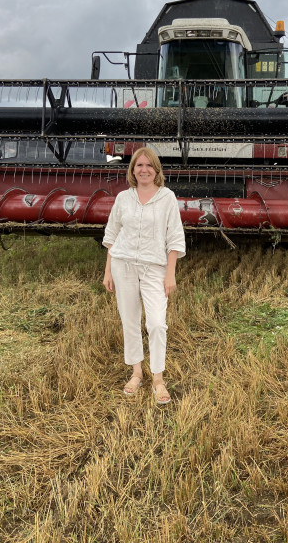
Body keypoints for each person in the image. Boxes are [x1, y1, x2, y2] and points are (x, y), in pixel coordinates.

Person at [102, 147, 186, 404]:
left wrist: (170, 273)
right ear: (132, 170)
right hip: (123, 265)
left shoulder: (167, 198)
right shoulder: (123, 199)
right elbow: (113, 235)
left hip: (154, 268)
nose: (144, 170)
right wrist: (108, 270)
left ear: (156, 170)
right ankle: (137, 372)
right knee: (130, 321)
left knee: (157, 324)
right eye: (139, 165)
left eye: (149, 165)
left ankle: (158, 378)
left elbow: (174, 238)